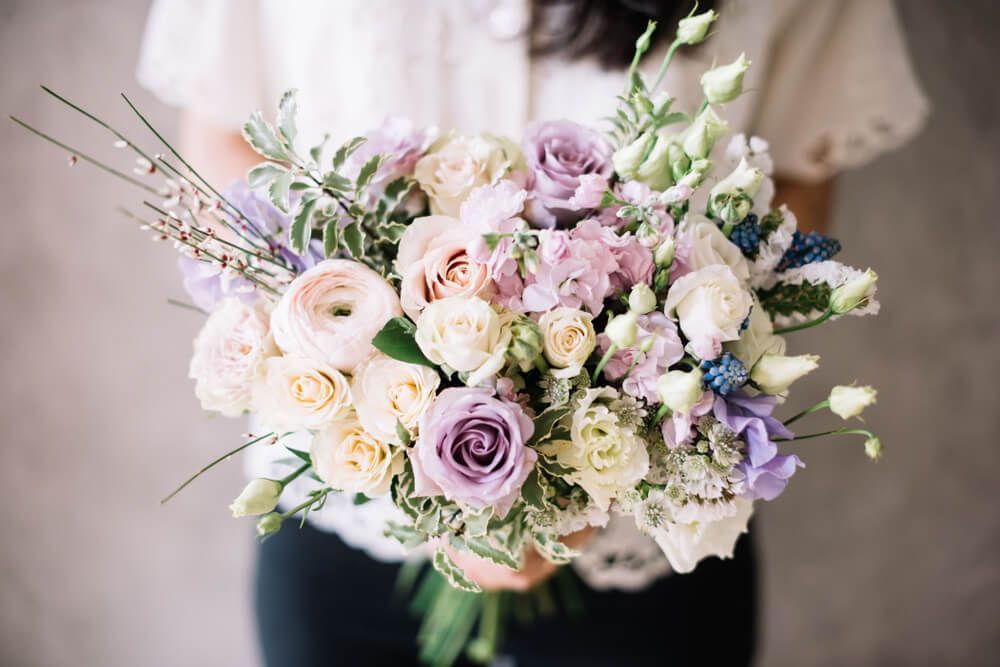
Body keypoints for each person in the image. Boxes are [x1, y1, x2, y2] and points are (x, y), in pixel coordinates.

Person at [137, 1, 927, 664]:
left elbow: (795, 179)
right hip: (344, 520)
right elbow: (223, 138)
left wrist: (586, 476)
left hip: (649, 549)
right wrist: (366, 400)